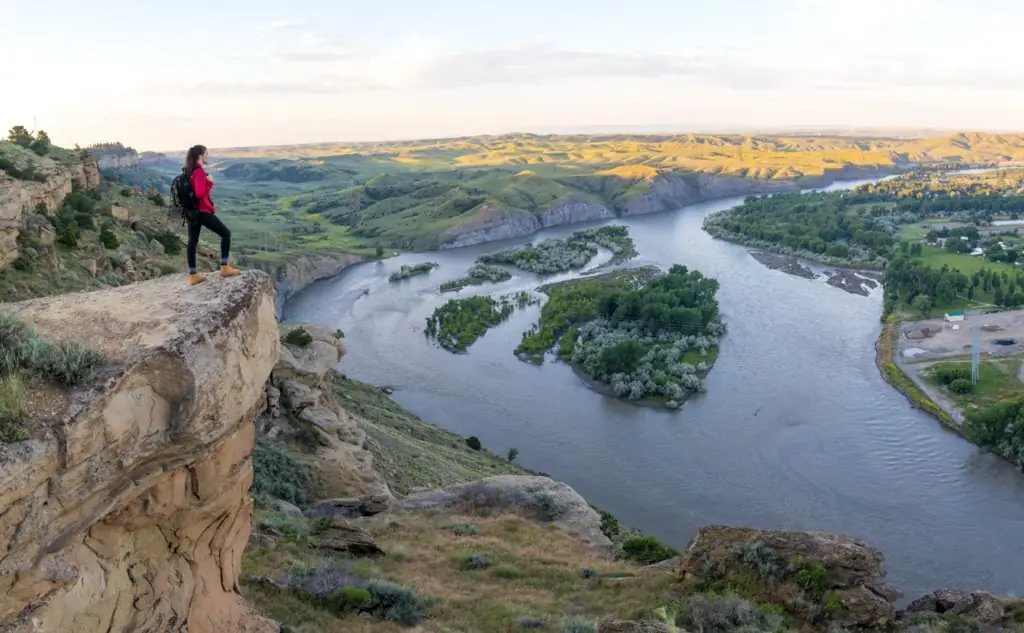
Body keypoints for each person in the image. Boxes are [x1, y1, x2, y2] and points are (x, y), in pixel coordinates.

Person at [183, 144, 240, 285]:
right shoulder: (199, 171)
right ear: (201, 156)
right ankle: (224, 267)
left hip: (191, 211)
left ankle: (193, 274)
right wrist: (209, 183)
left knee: (192, 241)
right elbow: (200, 193)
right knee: (225, 233)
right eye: (207, 154)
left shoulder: (189, 170)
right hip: (202, 210)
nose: (208, 156)